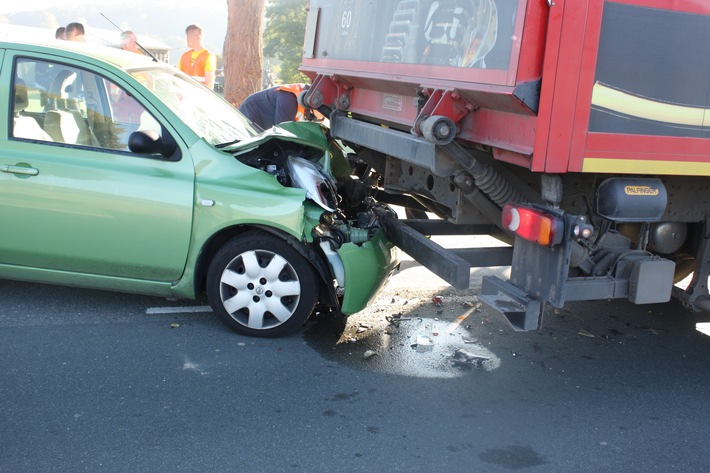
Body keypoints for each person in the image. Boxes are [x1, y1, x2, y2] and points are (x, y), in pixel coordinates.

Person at [238, 84, 308, 130]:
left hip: (266, 121)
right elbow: (283, 132)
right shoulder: (289, 98)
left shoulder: (303, 105)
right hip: (252, 111)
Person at [178, 25, 216, 90]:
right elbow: (178, 78)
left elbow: (209, 85)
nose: (187, 39)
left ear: (198, 37)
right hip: (184, 96)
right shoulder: (184, 56)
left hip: (199, 97)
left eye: (189, 36)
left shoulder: (208, 56)